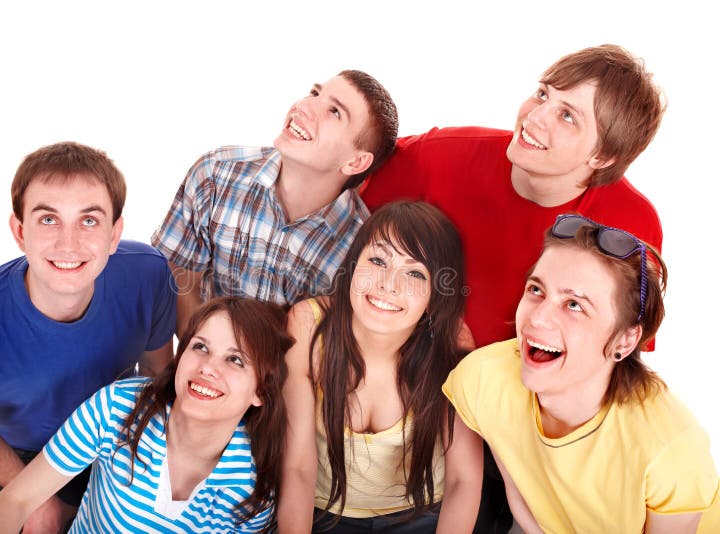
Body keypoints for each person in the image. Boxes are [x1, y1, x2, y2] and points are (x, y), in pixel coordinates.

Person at [361, 44, 666, 531]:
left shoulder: (630, 224)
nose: (536, 116)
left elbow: (618, 355)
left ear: (603, 155)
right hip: (422, 406)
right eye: (542, 94)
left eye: (567, 115)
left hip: (532, 427)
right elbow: (338, 214)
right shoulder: (438, 158)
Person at [0, 142, 176, 532]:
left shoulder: (148, 275)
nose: (68, 243)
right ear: (19, 230)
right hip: (28, 454)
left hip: (116, 433)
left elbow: (158, 374)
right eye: (48, 220)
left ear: (115, 234)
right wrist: (37, 500)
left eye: (89, 221)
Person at [443, 214, 720, 533]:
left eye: (574, 305)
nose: (539, 318)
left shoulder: (671, 447)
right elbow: (521, 493)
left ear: (624, 340)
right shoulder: (483, 378)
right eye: (536, 289)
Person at [0, 297, 294, 533]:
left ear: (261, 392)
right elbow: (17, 500)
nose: (209, 367)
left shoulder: (253, 488)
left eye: (236, 360)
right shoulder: (118, 406)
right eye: (200, 347)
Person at [279, 201, 483, 533]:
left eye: (415, 273)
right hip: (322, 511)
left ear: (436, 294)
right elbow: (298, 466)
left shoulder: (451, 344)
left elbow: (464, 479)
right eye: (378, 260)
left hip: (419, 515)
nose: (389, 284)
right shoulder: (308, 325)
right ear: (351, 266)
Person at [151, 69, 398, 336]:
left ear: (355, 162)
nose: (304, 106)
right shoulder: (215, 173)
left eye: (334, 112)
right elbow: (178, 276)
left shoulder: (361, 246)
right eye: (314, 93)